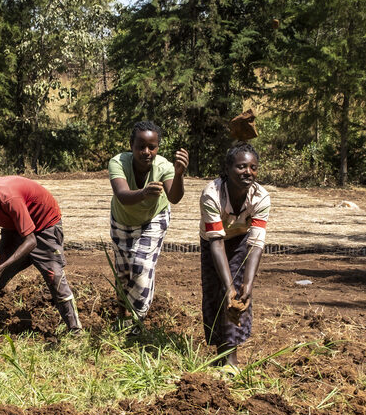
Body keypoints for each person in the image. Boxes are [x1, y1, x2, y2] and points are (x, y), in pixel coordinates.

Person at [0, 171, 81, 332]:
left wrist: (0, 268)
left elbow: (31, 241)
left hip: (44, 226)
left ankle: (75, 330)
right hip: (14, 227)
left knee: (54, 277)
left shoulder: (9, 198)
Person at [107, 120, 189, 325]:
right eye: (140, 146)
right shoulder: (118, 163)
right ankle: (122, 311)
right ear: (131, 146)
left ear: (158, 148)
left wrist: (179, 174)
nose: (146, 152)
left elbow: (175, 197)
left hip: (153, 219)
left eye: (152, 147)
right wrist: (144, 192)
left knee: (141, 266)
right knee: (124, 272)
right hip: (122, 220)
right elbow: (122, 195)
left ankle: (137, 320)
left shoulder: (164, 167)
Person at [200, 143, 270, 367]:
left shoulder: (261, 197)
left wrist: (247, 284)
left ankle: (231, 359)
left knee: (239, 293)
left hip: (242, 241)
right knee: (217, 292)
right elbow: (217, 242)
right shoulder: (212, 195)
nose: (248, 172)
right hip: (213, 242)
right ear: (228, 169)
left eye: (253, 167)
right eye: (241, 167)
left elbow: (256, 243)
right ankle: (221, 352)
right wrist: (227, 286)